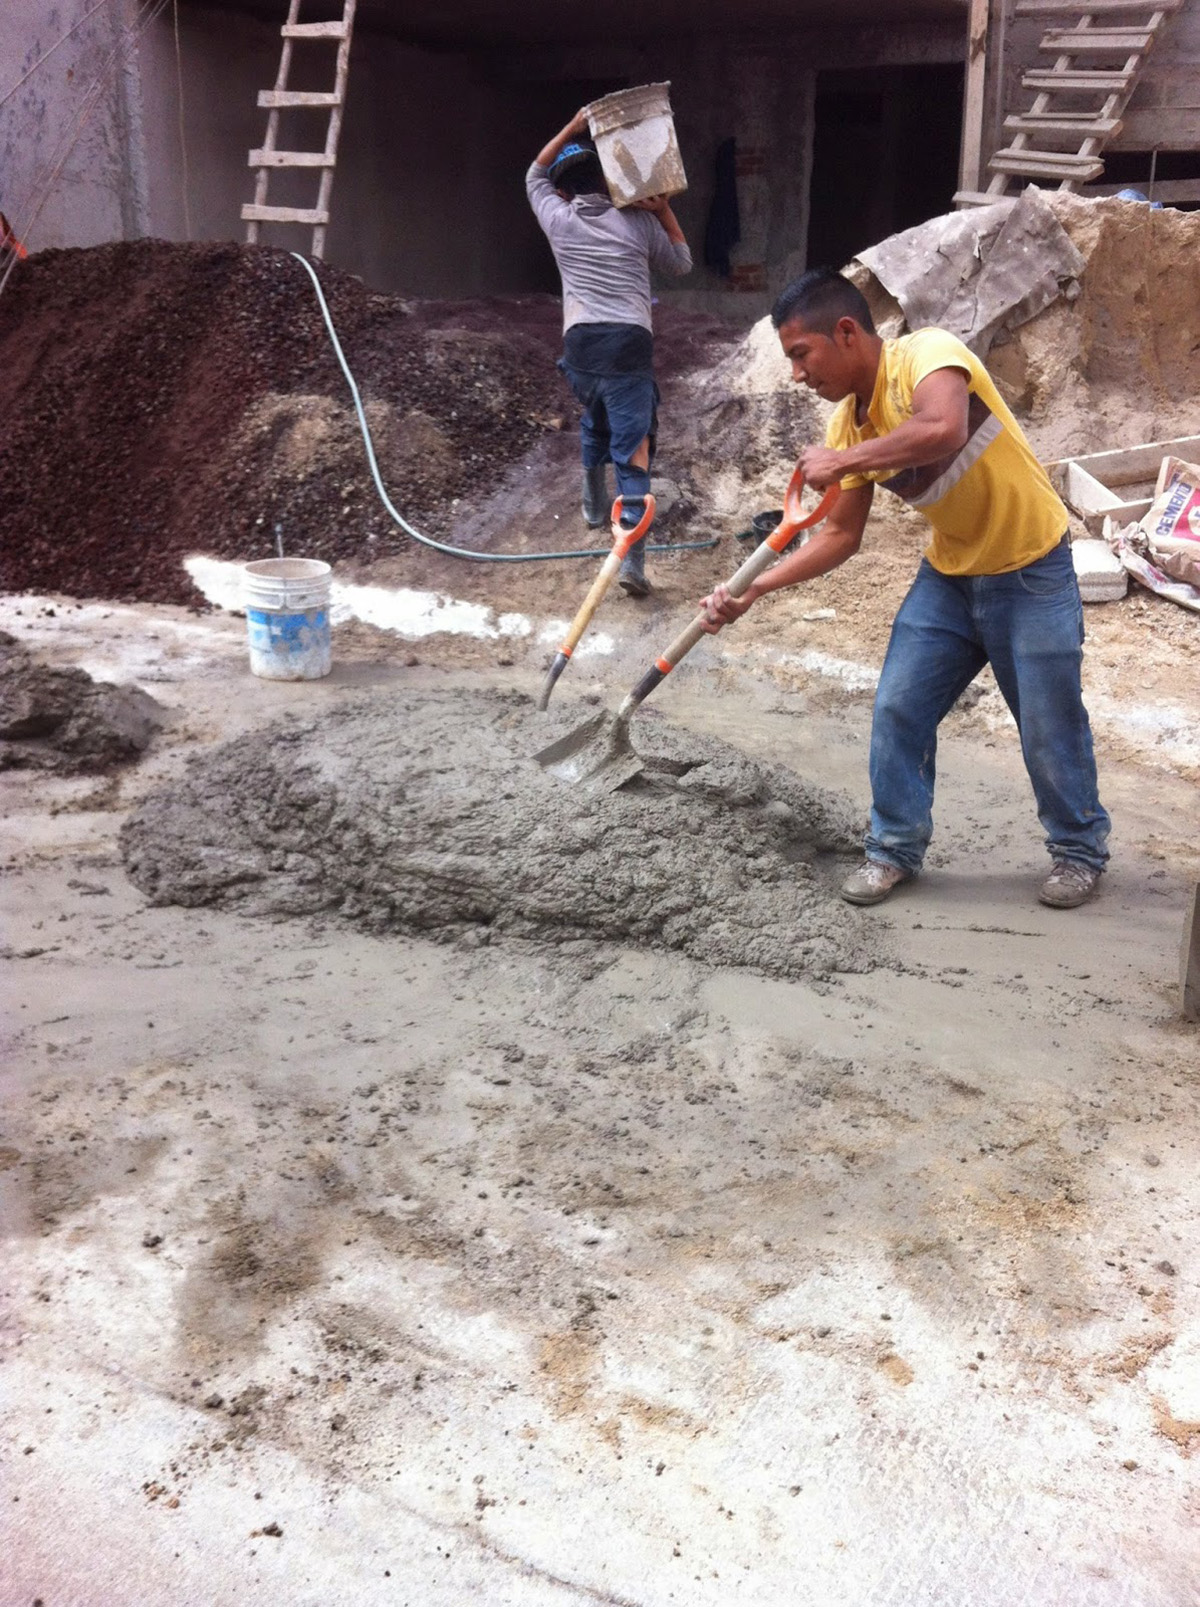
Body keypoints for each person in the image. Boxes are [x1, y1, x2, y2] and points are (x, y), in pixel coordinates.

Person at [700, 267, 1111, 910]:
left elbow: (941, 427)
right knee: (898, 706)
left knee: (1047, 722)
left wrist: (844, 462)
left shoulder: (928, 353)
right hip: (950, 578)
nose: (798, 375)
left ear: (845, 333)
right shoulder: (848, 426)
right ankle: (893, 850)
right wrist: (755, 589)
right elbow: (838, 535)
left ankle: (1079, 852)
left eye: (801, 355)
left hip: (1030, 568)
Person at [526, 109, 692, 596]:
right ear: (606, 179)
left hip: (580, 346)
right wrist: (662, 210)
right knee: (634, 448)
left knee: (595, 406)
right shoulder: (637, 223)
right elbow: (681, 264)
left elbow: (534, 171)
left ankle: (593, 501)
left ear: (562, 190)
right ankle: (632, 563)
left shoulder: (556, 217)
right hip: (627, 345)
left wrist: (572, 126)